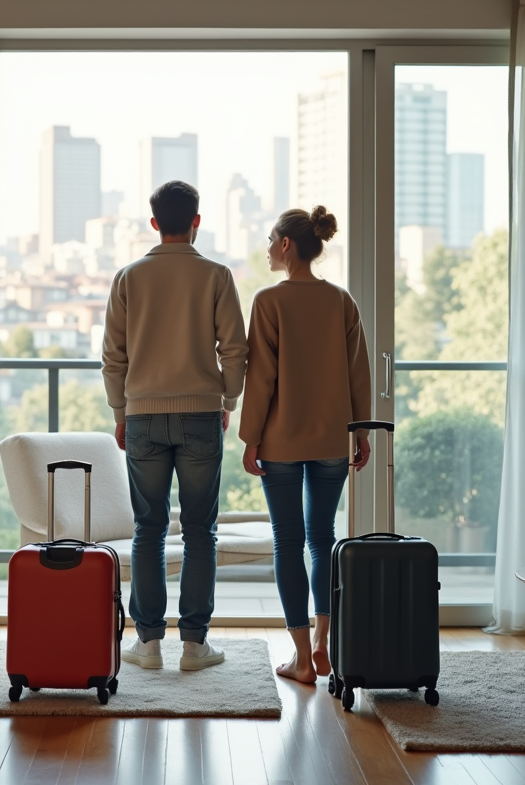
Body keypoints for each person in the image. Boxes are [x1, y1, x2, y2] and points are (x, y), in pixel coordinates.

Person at [102, 180, 249, 671]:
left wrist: (121, 413)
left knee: (149, 528)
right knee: (200, 530)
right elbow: (235, 349)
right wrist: (227, 398)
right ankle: (194, 644)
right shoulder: (216, 275)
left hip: (142, 415)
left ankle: (146, 644)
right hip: (201, 415)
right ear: (197, 221)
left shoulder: (129, 277)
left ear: (153, 223)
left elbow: (113, 357)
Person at [239, 206, 372, 684]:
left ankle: (299, 658)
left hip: (280, 441)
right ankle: (322, 644)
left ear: (286, 245)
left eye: (271, 239)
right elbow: (360, 372)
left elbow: (262, 380)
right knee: (323, 540)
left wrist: (250, 438)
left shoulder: (268, 302)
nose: (268, 247)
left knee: (288, 541)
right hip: (332, 438)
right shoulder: (341, 301)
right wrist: (359, 430)